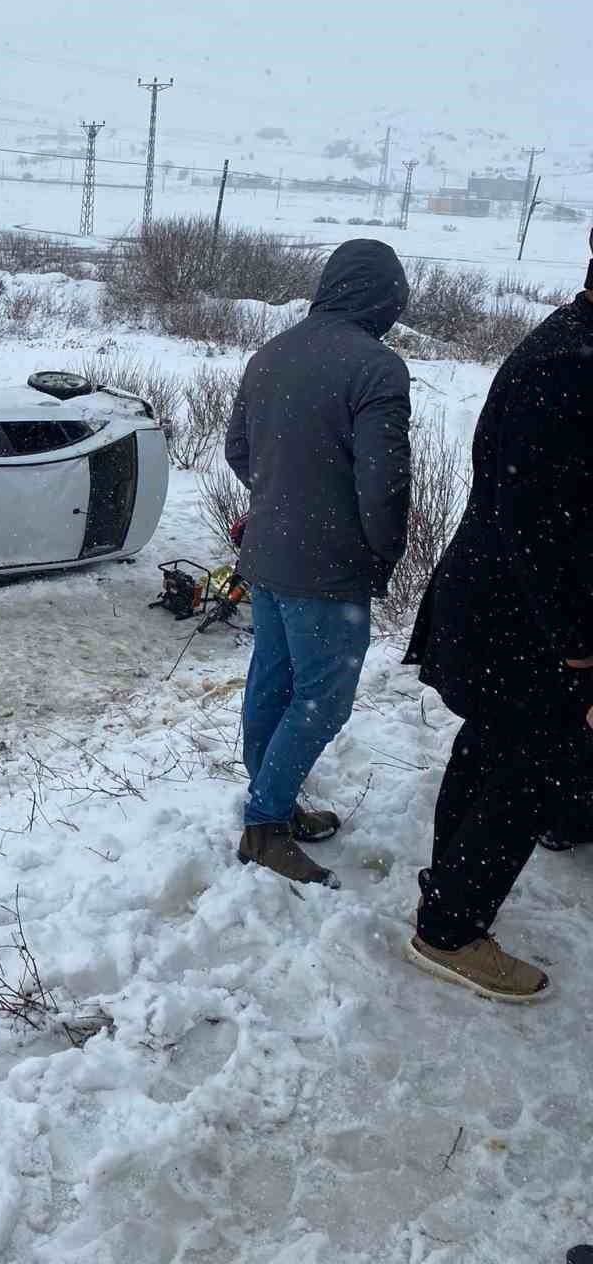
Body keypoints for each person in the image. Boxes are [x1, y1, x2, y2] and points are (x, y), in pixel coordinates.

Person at [403, 240, 593, 1002]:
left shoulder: (571, 345)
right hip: (524, 619)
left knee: (493, 751)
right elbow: (547, 529)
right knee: (527, 772)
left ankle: (448, 890)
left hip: (510, 610)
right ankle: (450, 929)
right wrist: (581, 652)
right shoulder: (572, 367)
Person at [225, 238, 411, 888]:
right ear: (386, 297)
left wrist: (282, 497)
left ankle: (270, 801)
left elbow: (238, 449)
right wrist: (381, 551)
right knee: (322, 701)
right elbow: (383, 488)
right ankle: (266, 824)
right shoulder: (377, 368)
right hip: (329, 568)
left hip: (269, 557)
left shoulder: (271, 353)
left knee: (272, 686)